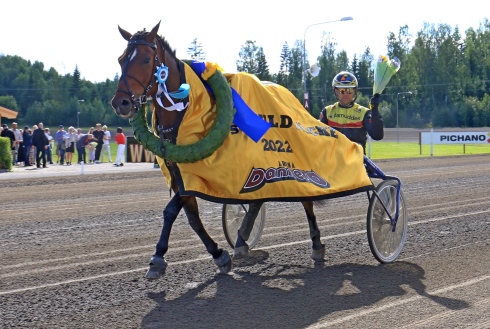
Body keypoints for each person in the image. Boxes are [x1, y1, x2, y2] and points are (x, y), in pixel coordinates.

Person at [319, 71, 384, 153]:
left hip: (356, 162)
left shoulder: (364, 112)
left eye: (349, 90)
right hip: (334, 163)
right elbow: (319, 138)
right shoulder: (327, 112)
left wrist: (375, 112)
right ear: (335, 91)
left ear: (354, 91)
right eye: (342, 90)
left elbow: (377, 135)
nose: (345, 94)